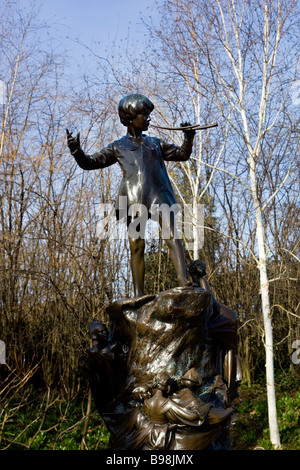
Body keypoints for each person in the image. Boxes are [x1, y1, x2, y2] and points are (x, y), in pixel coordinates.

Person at [67, 94, 195, 297]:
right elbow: (91, 163)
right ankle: (138, 294)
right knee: (136, 245)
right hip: (134, 200)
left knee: (173, 235)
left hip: (160, 196)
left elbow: (183, 154)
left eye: (148, 114)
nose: (149, 118)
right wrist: (77, 152)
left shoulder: (155, 143)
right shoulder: (118, 146)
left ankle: (183, 279)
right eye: (144, 114)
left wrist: (188, 137)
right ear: (129, 117)